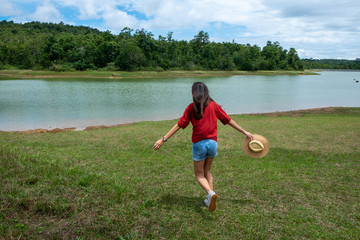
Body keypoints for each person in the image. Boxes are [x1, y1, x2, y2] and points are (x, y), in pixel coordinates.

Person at [153, 82, 253, 212]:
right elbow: (228, 120)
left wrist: (163, 139)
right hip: (213, 144)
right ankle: (209, 199)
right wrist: (244, 131)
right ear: (206, 92)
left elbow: (179, 125)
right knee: (207, 171)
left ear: (194, 94)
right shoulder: (214, 106)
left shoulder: (191, 108)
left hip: (199, 145)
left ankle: (211, 194)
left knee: (199, 175)